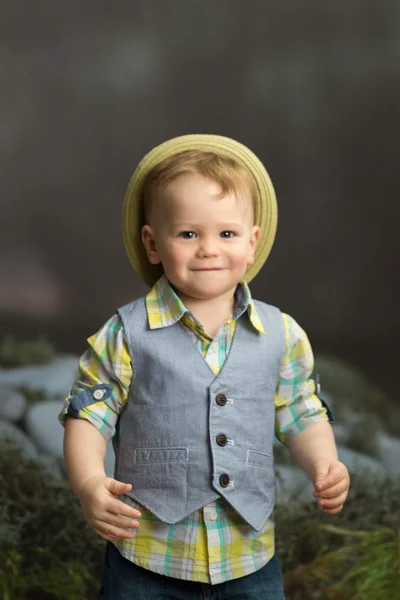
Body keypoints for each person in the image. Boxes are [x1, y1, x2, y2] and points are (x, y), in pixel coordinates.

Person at [59, 134, 350, 600]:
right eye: (189, 234)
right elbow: (87, 417)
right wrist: (90, 483)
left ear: (252, 243)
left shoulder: (281, 333)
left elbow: (301, 410)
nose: (209, 249)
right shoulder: (127, 333)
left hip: (248, 558)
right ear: (153, 244)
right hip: (147, 557)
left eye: (227, 234)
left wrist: (325, 462)